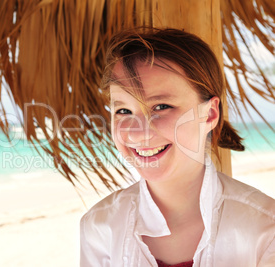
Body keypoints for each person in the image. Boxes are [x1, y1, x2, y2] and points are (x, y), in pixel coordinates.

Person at [80, 28, 275, 267]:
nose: (139, 132)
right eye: (123, 111)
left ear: (210, 114)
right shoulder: (100, 227)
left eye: (161, 106)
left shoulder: (266, 228)